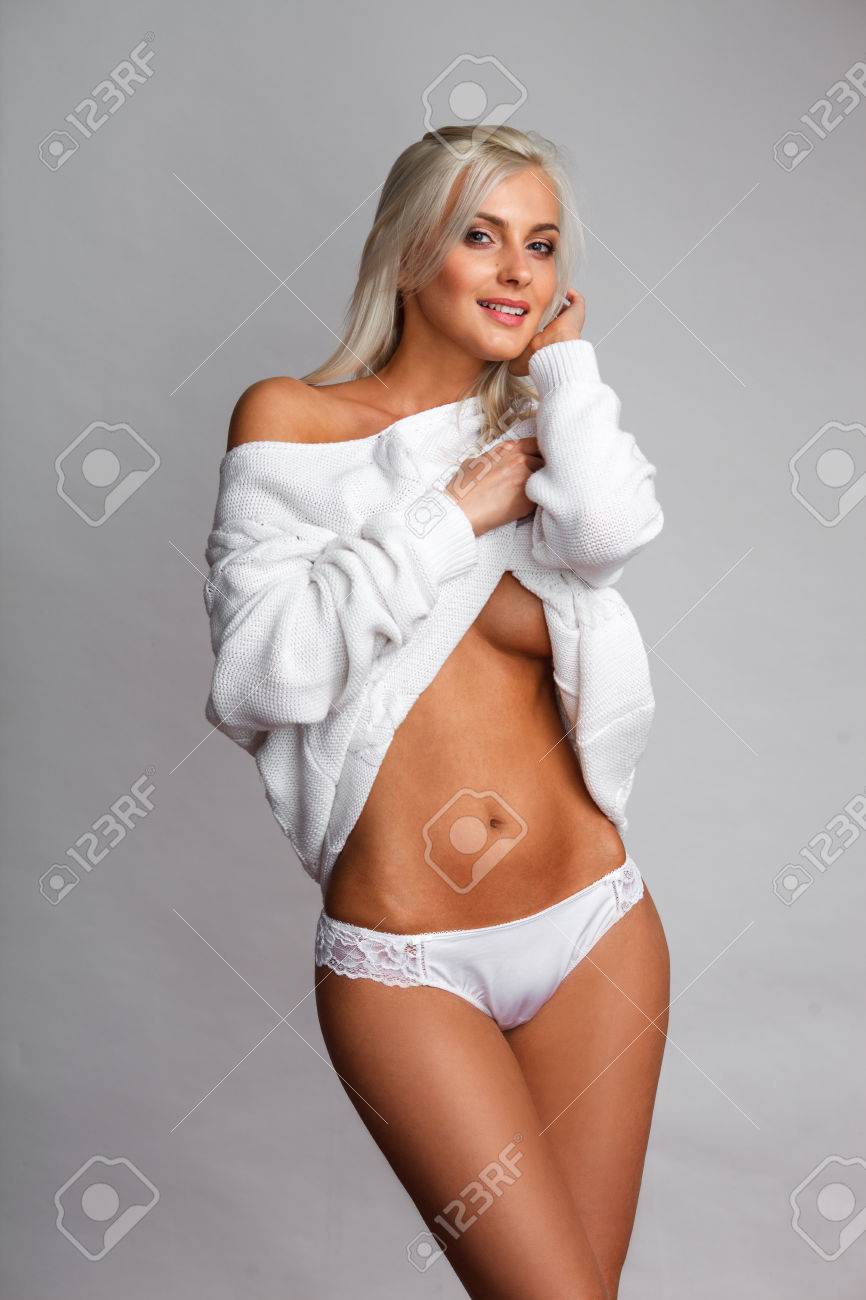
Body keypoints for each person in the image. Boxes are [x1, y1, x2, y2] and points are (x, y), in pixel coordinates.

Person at [203, 124, 670, 1299]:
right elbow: (257, 673)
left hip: (596, 926)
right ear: (410, 251)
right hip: (406, 961)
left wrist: (568, 372)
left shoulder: (541, 438)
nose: (517, 270)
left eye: (542, 246)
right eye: (481, 235)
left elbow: (606, 532)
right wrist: (450, 516)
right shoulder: (292, 425)